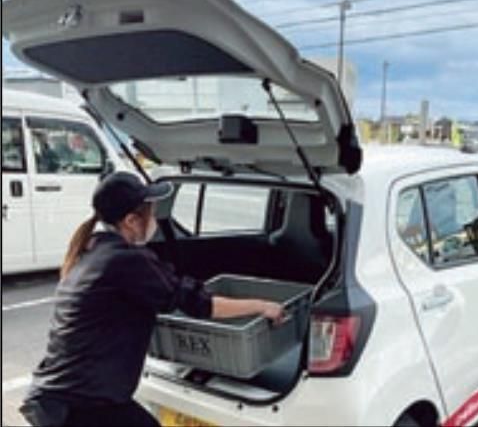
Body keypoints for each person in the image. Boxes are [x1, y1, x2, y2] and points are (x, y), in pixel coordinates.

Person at [19, 172, 284, 427]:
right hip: (83, 405)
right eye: (152, 212)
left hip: (60, 399)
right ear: (132, 221)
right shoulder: (126, 261)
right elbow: (201, 304)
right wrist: (262, 307)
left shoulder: (92, 251)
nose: (155, 220)